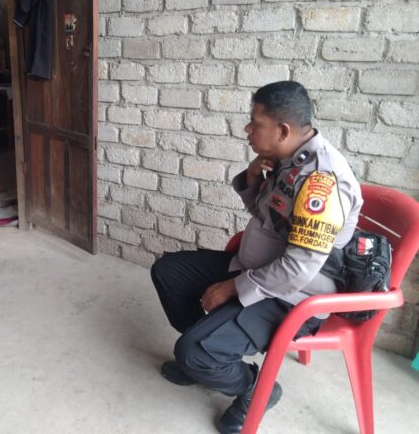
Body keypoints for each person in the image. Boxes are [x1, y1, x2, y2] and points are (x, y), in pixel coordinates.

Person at [151, 81, 363, 433]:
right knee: (168, 272)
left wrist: (234, 287)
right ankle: (206, 360)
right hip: (257, 269)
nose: (247, 130)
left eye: (255, 123)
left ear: (283, 130)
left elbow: (298, 269)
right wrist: (253, 178)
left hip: (294, 295)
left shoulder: (321, 181)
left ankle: (255, 389)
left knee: (190, 351)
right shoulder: (290, 159)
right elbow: (268, 218)